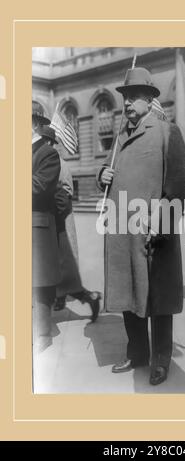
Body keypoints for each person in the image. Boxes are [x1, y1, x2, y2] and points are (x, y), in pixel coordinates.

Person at [97, 67, 185, 385]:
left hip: (154, 236)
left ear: (150, 99)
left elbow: (178, 188)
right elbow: (113, 175)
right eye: (125, 97)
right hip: (122, 233)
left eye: (134, 96)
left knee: (157, 300)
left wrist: (160, 227)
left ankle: (161, 359)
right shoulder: (120, 136)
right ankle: (137, 353)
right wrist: (101, 176)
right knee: (128, 295)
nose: (127, 103)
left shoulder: (167, 132)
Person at [39, 126, 102, 322]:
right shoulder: (43, 161)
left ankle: (90, 298)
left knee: (63, 278)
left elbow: (63, 198)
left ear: (48, 143)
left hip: (57, 226)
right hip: (45, 228)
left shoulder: (59, 164)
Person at [32, 102, 61, 353]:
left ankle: (43, 333)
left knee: (38, 283)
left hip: (36, 226)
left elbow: (39, 187)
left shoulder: (47, 153)